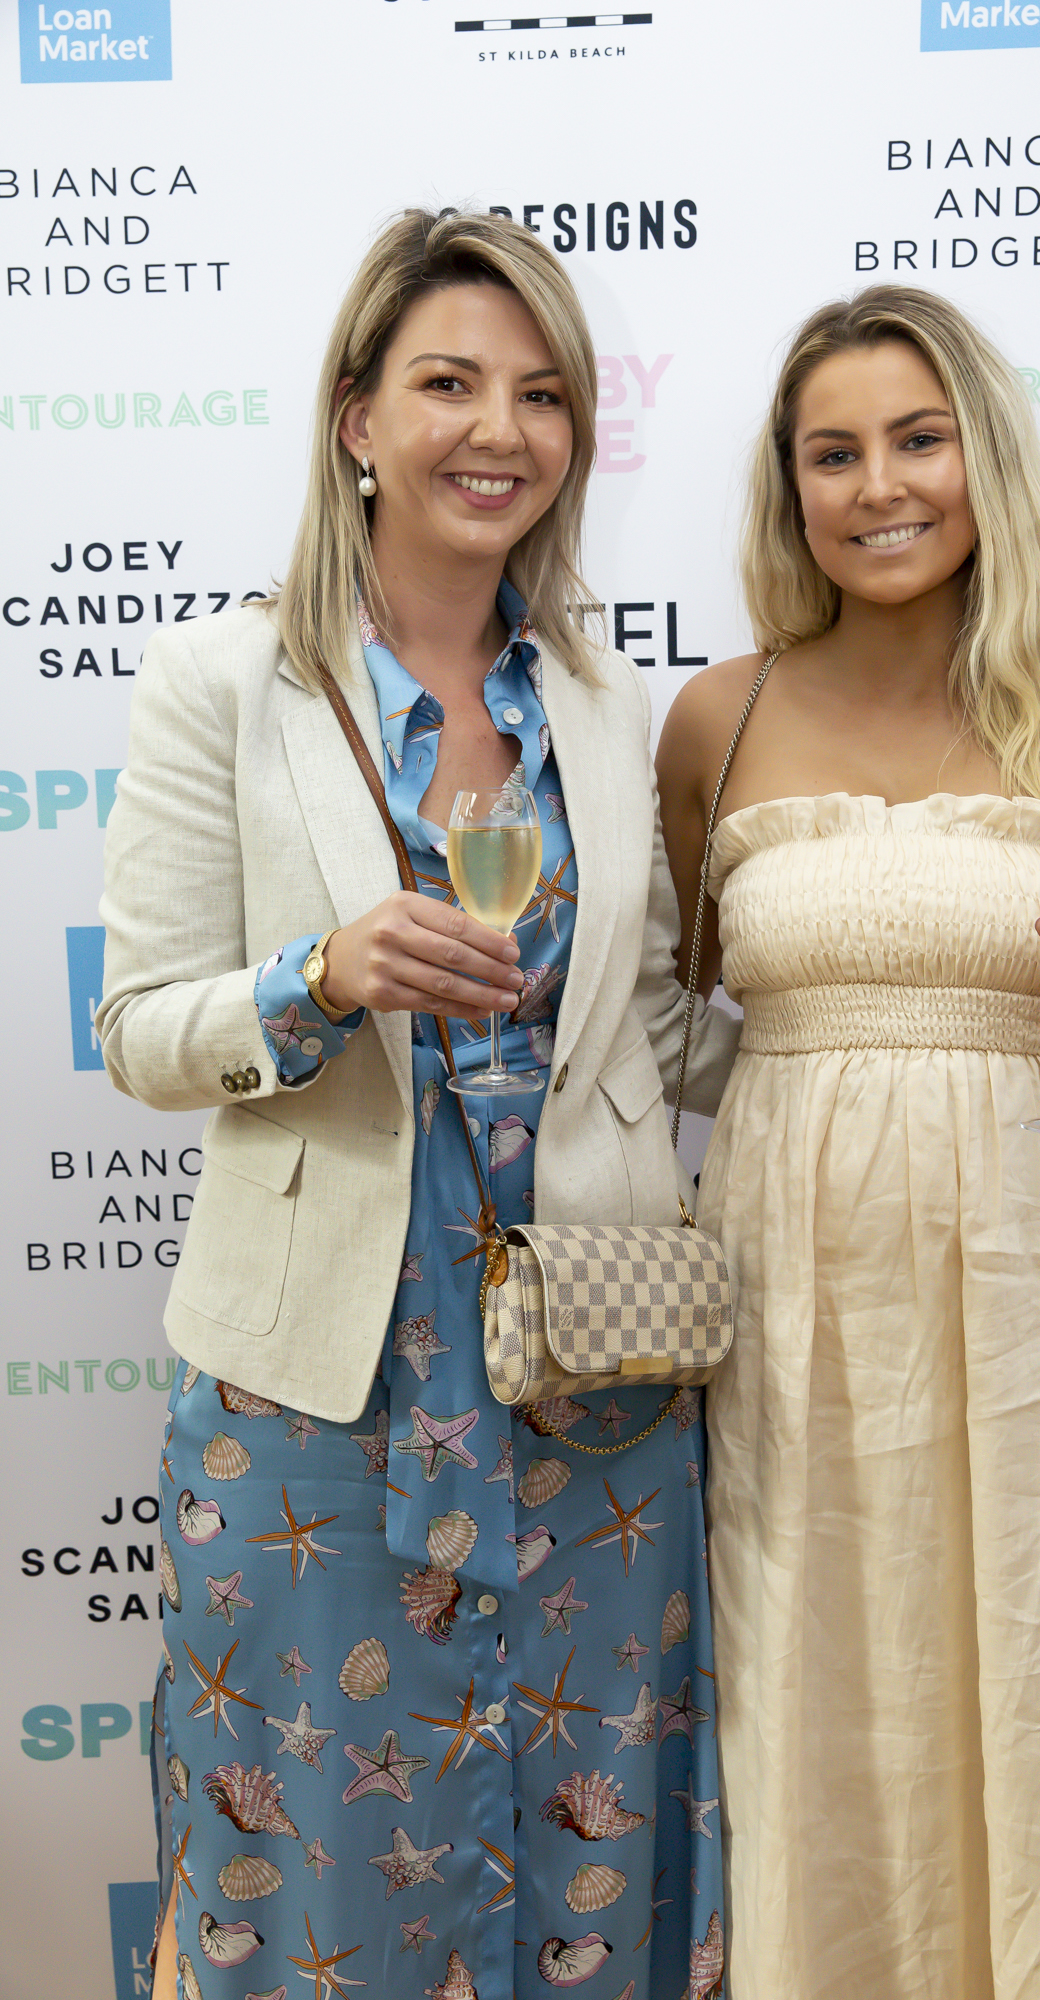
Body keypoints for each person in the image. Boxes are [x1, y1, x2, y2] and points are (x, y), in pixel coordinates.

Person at [98, 208, 737, 2000]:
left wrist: (896, 1036)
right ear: (357, 420)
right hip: (322, 1392)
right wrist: (320, 977)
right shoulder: (225, 683)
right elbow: (139, 1031)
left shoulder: (602, 703)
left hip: (592, 1381)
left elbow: (654, 1023)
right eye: (448, 383)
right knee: (306, 1851)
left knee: (591, 1850)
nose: (498, 431)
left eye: (542, 394)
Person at [655, 285, 1040, 2000]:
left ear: (983, 457)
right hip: (796, 1305)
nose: (878, 486)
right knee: (820, 1689)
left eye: (917, 440)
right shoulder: (716, 719)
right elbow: (663, 1027)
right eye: (832, 453)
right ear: (788, 487)